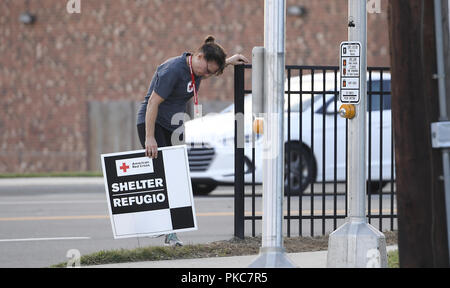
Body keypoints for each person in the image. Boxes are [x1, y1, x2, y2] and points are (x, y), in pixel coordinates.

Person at [136, 35, 249, 246]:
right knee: (163, 176)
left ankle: (168, 230)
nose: (207, 75)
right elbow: (152, 102)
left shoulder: (196, 68)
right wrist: (150, 137)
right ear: (198, 56)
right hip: (153, 123)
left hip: (172, 126)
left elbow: (210, 69)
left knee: (176, 176)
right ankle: (163, 229)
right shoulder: (173, 70)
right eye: (207, 70)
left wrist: (229, 60)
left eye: (212, 73)